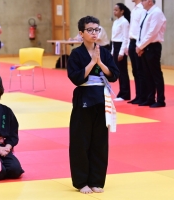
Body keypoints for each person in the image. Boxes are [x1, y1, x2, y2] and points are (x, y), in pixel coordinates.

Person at [67, 16, 119, 194]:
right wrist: (91, 63)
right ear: (81, 33)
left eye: (97, 29)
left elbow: (114, 75)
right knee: (81, 141)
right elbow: (75, 78)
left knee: (100, 141)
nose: (94, 33)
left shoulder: (104, 52)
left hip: (102, 98)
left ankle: (96, 180)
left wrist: (100, 63)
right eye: (90, 30)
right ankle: (82, 181)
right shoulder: (76, 54)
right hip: (84, 98)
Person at [136, 0, 166, 107]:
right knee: (147, 74)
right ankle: (150, 98)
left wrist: (140, 46)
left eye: (143, 0)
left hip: (153, 46)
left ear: (149, 1)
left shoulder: (157, 13)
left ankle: (161, 100)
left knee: (155, 73)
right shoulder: (146, 12)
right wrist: (140, 46)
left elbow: (152, 33)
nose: (141, 2)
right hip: (145, 46)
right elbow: (141, 31)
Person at [126, 0, 147, 104]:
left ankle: (143, 96)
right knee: (135, 70)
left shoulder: (142, 9)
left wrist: (140, 45)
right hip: (132, 41)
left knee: (140, 70)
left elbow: (142, 28)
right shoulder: (134, 9)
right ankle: (138, 95)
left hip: (138, 41)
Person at [111, 3, 131, 101]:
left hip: (121, 47)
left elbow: (125, 38)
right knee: (118, 71)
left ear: (122, 11)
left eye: (116, 10)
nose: (114, 12)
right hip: (115, 46)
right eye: (114, 10)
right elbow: (114, 38)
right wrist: (112, 50)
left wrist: (121, 52)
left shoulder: (124, 22)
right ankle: (121, 92)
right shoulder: (116, 22)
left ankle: (125, 93)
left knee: (123, 71)